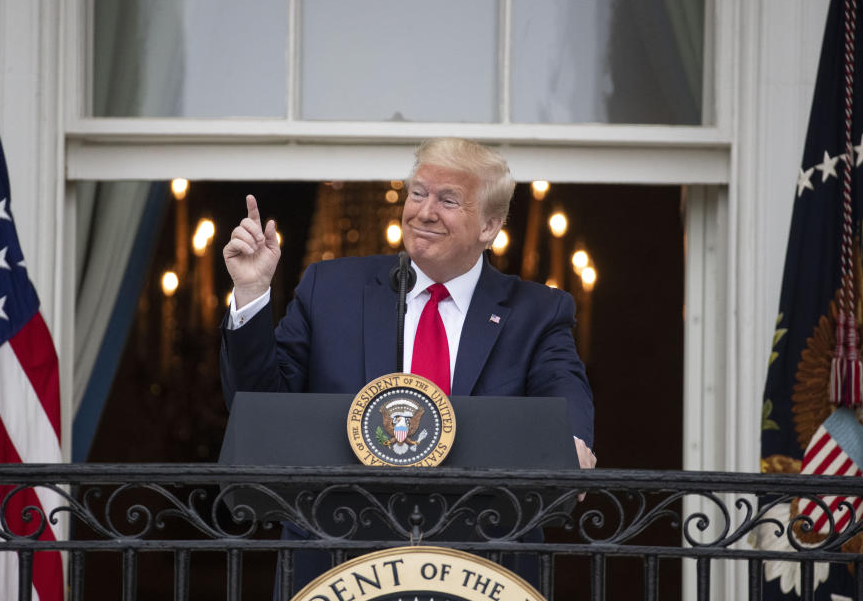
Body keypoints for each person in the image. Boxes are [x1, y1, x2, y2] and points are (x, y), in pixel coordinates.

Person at [220, 138, 596, 593]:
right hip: (337, 565)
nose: (424, 211)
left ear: (490, 226)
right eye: (418, 193)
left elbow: (564, 385)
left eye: (448, 200)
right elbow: (261, 404)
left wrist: (570, 442)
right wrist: (252, 292)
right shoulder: (330, 288)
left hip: (479, 569)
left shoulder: (538, 311)